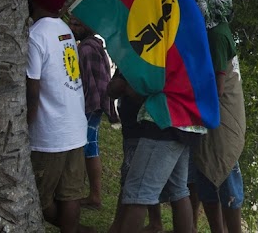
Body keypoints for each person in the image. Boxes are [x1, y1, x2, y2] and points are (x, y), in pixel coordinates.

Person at [26, 0, 94, 233]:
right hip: (75, 129)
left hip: (49, 134)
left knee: (38, 199)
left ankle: (74, 229)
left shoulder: (35, 36)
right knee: (70, 194)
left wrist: (24, 130)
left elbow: (33, 92)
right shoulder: (64, 29)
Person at [189, 0, 246, 233]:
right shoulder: (214, 29)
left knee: (224, 172)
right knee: (207, 174)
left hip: (220, 116)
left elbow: (218, 87)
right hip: (214, 115)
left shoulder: (216, 35)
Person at [110, 69, 196, 233]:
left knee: (138, 195)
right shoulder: (189, 46)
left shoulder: (163, 45)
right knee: (179, 190)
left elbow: (147, 84)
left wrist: (128, 85)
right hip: (185, 119)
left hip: (162, 119)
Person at [107, 71, 166, 233]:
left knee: (131, 181)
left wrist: (126, 85)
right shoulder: (128, 58)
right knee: (140, 180)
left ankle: (118, 225)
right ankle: (155, 223)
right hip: (131, 129)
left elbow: (145, 92)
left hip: (142, 128)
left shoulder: (143, 58)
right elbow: (111, 90)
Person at [68, 17, 116, 210]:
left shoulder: (86, 49)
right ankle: (92, 194)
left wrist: (85, 107)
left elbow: (88, 82)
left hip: (90, 105)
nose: (72, 28)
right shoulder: (94, 45)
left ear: (87, 26)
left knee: (88, 149)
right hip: (95, 104)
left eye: (76, 24)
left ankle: (93, 195)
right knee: (90, 148)